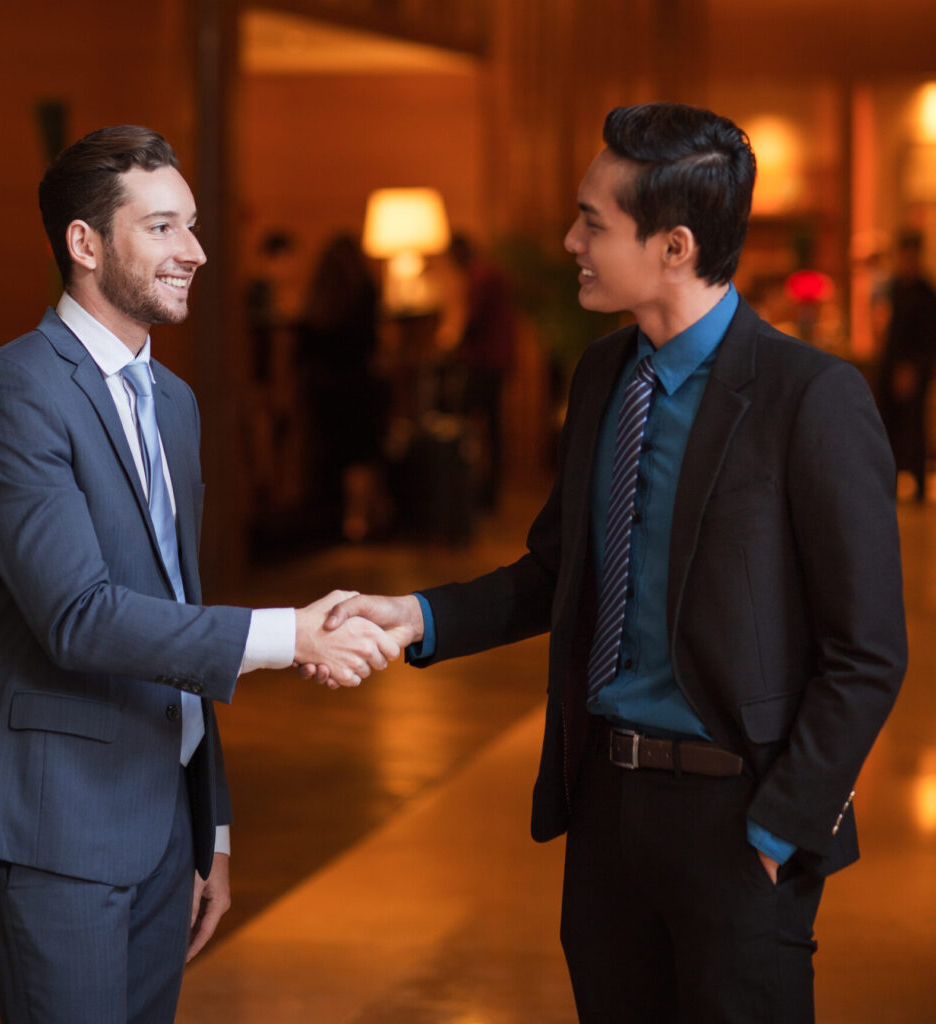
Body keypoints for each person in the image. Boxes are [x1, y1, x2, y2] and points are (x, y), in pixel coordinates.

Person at [310, 103, 907, 1022]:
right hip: (607, 812)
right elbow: (559, 572)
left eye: (593, 222)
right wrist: (417, 617)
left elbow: (866, 651)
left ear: (674, 246)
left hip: (739, 821)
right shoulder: (602, 379)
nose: (569, 240)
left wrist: (785, 822)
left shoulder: (810, 398)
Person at [0, 125, 401, 1024]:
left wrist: (212, 828)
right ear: (84, 243)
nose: (193, 251)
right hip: (57, 824)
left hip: (167, 824)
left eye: (191, 225)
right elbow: (78, 616)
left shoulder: (176, 402)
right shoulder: (10, 392)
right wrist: (288, 634)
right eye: (161, 228)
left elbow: (174, 612)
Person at [297, 233, 390, 541]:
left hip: (324, 393)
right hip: (360, 388)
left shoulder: (317, 301)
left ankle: (343, 520)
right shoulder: (365, 294)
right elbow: (374, 344)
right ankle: (359, 519)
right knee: (362, 458)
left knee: (335, 458)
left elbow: (303, 354)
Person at [444, 233, 518, 509]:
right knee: (492, 426)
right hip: (498, 359)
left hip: (485, 361)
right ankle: (488, 491)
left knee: (471, 425)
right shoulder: (488, 272)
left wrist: (453, 349)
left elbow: (473, 320)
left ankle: (475, 491)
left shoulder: (480, 276)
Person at [874, 228, 936, 502]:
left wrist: (912, 368)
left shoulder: (926, 293)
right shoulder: (894, 288)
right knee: (888, 425)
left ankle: (919, 486)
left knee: (914, 429)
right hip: (889, 366)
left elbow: (927, 337)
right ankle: (889, 481)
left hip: (915, 369)